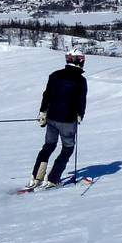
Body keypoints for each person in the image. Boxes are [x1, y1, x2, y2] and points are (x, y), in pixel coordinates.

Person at [30, 50, 87, 189]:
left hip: (52, 118)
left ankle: (36, 177)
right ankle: (53, 179)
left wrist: (42, 112)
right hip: (68, 120)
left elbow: (46, 95)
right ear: (80, 61)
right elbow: (81, 100)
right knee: (67, 148)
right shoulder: (80, 80)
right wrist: (80, 114)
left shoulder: (55, 75)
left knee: (49, 146)